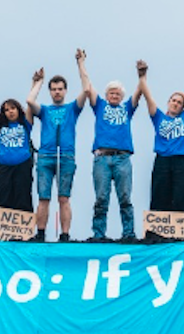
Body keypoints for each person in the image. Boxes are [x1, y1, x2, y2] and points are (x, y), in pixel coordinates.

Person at [78, 49, 142, 240]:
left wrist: (141, 75)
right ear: (106, 95)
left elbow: (139, 93)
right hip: (102, 158)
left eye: (118, 94)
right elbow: (87, 87)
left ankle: (128, 234)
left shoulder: (127, 108)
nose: (114, 96)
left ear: (122, 97)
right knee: (101, 199)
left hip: (122, 158)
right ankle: (98, 235)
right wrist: (81, 63)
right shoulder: (100, 106)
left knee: (125, 198)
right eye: (111, 93)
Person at [26, 51, 88, 242]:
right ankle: (41, 233)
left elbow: (86, 90)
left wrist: (80, 64)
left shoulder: (72, 108)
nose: (57, 92)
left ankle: (65, 235)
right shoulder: (44, 110)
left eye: (60, 89)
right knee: (44, 198)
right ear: (50, 91)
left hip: (66, 156)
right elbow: (29, 101)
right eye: (53, 89)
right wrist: (38, 83)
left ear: (65, 90)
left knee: (64, 198)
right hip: (46, 156)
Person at [140, 59, 184, 212]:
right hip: (162, 161)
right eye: (173, 100)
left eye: (179, 102)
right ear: (168, 102)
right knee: (160, 195)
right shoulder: (159, 117)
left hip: (181, 161)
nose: (175, 103)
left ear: (182, 107)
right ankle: (158, 233)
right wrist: (142, 76)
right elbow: (148, 97)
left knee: (182, 196)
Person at [0, 72, 34, 213]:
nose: (10, 112)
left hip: (22, 165)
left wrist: (35, 83)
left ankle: (24, 234)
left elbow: (30, 103)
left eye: (13, 108)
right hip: (3, 166)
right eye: (6, 110)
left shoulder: (26, 124)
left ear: (18, 109)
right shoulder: (1, 125)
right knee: (2, 199)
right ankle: (3, 234)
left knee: (22, 198)